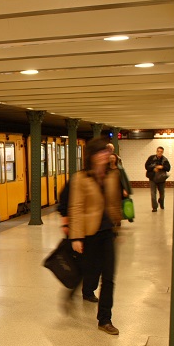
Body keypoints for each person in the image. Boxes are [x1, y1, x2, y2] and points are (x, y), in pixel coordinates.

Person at [68, 138, 122, 335]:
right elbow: (76, 207)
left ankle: (105, 319)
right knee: (89, 271)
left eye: (106, 153)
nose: (105, 156)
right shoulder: (80, 178)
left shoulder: (112, 175)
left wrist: (118, 225)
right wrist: (75, 237)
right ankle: (73, 291)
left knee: (109, 277)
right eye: (100, 153)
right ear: (91, 156)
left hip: (108, 233)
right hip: (89, 234)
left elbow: (114, 202)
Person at [144, 146, 171, 212]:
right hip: (152, 178)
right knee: (153, 193)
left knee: (162, 194)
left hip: (161, 179)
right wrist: (154, 168)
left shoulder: (165, 159)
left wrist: (162, 167)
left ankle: (161, 202)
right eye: (158, 151)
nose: (159, 153)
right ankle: (154, 207)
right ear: (156, 151)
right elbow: (146, 166)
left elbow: (168, 168)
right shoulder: (151, 158)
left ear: (162, 152)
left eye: (161, 152)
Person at [109, 153, 133, 223]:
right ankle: (114, 220)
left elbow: (124, 180)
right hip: (110, 190)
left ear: (116, 159)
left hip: (118, 190)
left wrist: (125, 189)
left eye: (113, 158)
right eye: (110, 158)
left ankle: (118, 220)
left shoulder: (120, 169)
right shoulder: (107, 169)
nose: (112, 160)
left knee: (118, 205)